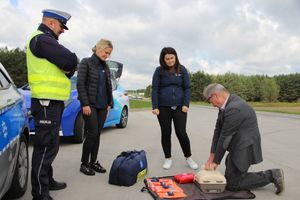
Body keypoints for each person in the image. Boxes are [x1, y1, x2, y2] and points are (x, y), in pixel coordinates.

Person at [27, 9, 77, 200]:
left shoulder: (46, 41)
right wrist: (68, 65)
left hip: (51, 102)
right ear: (52, 23)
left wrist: (68, 68)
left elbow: (68, 67)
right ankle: (40, 193)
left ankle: (47, 179)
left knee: (51, 144)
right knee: (45, 146)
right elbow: (71, 60)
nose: (63, 31)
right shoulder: (42, 39)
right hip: (46, 101)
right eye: (62, 27)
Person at [202, 83, 284, 195]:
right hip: (237, 144)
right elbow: (218, 131)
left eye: (210, 101)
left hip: (244, 146)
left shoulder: (234, 108)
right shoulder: (226, 105)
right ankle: (240, 172)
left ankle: (272, 175)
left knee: (233, 184)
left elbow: (225, 136)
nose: (212, 105)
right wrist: (211, 156)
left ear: (215, 96)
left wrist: (216, 161)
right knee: (230, 177)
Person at [151, 47, 198, 170]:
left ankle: (188, 158)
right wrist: (155, 106)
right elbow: (155, 89)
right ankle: (168, 158)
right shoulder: (159, 71)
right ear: (163, 59)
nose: (170, 60)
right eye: (167, 59)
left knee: (181, 132)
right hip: (163, 107)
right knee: (166, 133)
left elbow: (187, 88)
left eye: (172, 58)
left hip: (179, 107)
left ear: (175, 57)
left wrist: (186, 104)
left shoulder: (182, 69)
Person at [77, 39, 114, 176]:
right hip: (90, 105)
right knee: (92, 132)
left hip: (103, 106)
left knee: (97, 134)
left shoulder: (105, 66)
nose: (107, 56)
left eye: (109, 54)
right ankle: (84, 163)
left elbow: (108, 86)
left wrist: (110, 103)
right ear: (99, 48)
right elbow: (80, 84)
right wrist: (85, 104)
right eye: (106, 52)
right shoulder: (85, 62)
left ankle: (93, 162)